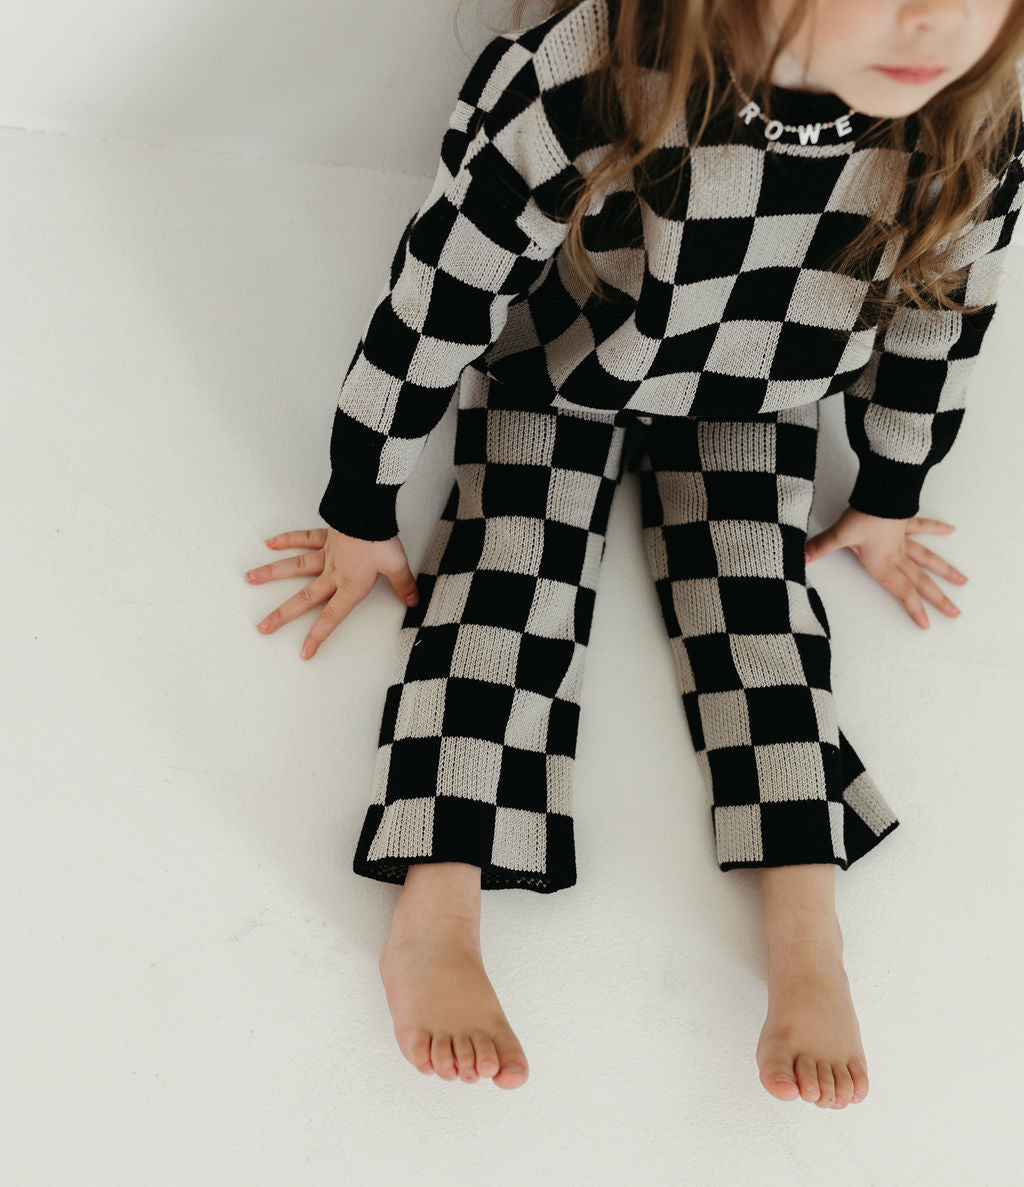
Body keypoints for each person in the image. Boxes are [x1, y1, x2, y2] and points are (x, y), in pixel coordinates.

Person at [243, 0, 1024, 1102]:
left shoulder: (969, 112)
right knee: (504, 579)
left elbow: (944, 311)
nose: (936, 20)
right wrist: (359, 497)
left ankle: (808, 935)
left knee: (761, 617)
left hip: (758, 395)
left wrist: (892, 484)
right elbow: (442, 293)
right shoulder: (592, 80)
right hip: (560, 368)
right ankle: (438, 905)